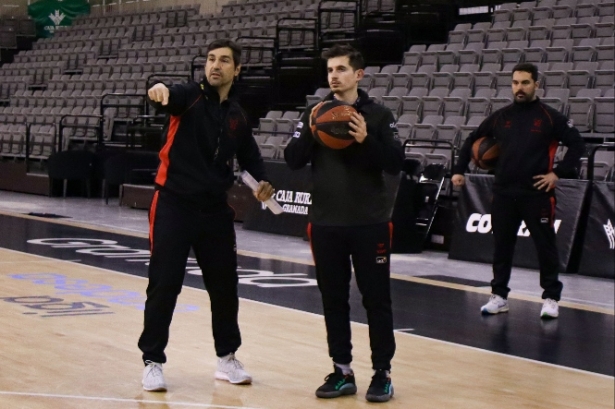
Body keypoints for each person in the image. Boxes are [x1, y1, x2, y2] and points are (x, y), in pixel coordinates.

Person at [138, 39, 275, 392]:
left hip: (214, 211)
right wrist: (158, 90)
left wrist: (265, 182)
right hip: (173, 204)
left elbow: (252, 158)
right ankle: (153, 361)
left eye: (224, 61)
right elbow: (167, 93)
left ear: (237, 69)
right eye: (211, 59)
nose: (215, 65)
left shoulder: (237, 115)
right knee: (164, 284)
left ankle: (226, 359)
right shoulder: (189, 96)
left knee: (225, 288)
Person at [284, 44, 404, 403]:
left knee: (376, 300)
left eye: (340, 69)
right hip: (326, 223)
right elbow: (291, 159)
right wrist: (309, 130)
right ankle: (342, 370)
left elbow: (395, 162)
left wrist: (366, 140)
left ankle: (382, 373)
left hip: (370, 223)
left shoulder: (379, 115)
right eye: (330, 70)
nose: (333, 75)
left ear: (358, 74)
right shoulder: (315, 112)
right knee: (333, 299)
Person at [451, 62, 585, 319]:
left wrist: (557, 174)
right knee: (502, 246)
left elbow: (578, 146)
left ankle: (550, 298)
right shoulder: (501, 116)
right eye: (515, 83)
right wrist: (458, 169)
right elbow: (471, 140)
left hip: (537, 193)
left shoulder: (550, 117)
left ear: (536, 84)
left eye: (525, 83)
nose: (519, 88)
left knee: (545, 246)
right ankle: (499, 296)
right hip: (503, 192)